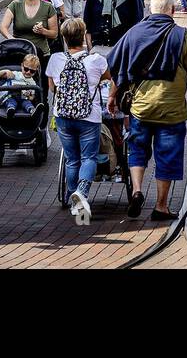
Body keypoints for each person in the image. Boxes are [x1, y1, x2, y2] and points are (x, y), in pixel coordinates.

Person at [107, 0, 187, 221]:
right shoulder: (181, 35)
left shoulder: (133, 33)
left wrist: (112, 97)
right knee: (168, 155)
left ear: (150, 10)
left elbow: (117, 69)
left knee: (137, 150)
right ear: (172, 11)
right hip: (171, 110)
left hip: (140, 108)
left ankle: (137, 191)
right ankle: (161, 206)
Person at [46, 18, 112, 224]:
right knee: (89, 157)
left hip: (63, 116)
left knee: (72, 159)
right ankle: (81, 192)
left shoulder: (56, 59)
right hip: (89, 117)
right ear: (83, 37)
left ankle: (72, 193)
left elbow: (52, 88)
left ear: (64, 38)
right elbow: (108, 78)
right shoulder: (97, 60)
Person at [3, 0, 60, 65]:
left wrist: (43, 31)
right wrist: (11, 38)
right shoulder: (15, 5)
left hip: (40, 54)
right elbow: (3, 27)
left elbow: (54, 34)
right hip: (19, 52)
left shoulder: (48, 7)